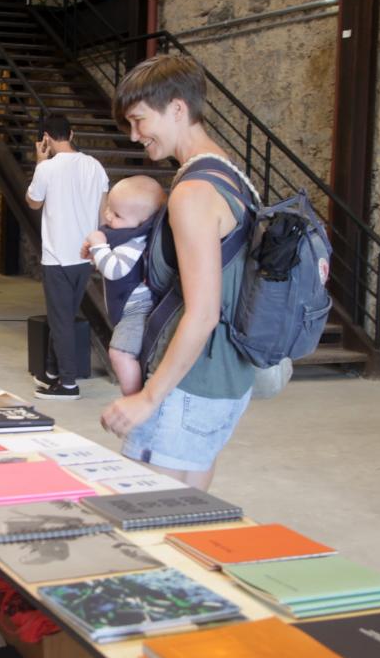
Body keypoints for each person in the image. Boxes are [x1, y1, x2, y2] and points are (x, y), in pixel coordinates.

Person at [100, 54, 256, 492]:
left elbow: (202, 312)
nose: (134, 136)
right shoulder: (231, 175)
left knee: (148, 531)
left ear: (177, 109)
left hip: (187, 386)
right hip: (227, 377)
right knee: (185, 522)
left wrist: (150, 396)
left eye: (139, 120)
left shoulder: (193, 192)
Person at [26, 117, 108, 401]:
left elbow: (34, 202)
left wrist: (39, 161)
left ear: (46, 138)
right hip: (84, 256)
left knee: (61, 320)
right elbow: (103, 212)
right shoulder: (94, 166)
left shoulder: (46, 168)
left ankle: (68, 384)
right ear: (72, 133)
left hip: (57, 258)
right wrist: (99, 251)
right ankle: (51, 370)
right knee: (64, 316)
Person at [82, 175, 166, 395]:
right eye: (109, 208)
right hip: (128, 309)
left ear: (143, 222)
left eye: (117, 214)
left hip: (139, 310)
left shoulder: (135, 241)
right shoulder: (124, 234)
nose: (108, 216)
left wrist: (98, 244)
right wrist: (96, 254)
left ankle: (133, 397)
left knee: (120, 353)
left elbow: (114, 270)